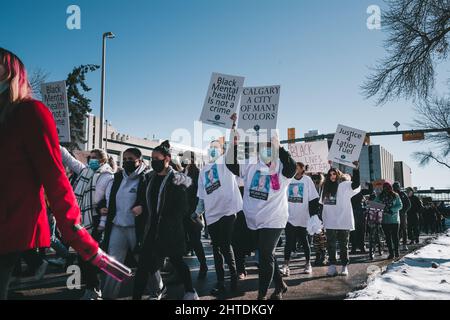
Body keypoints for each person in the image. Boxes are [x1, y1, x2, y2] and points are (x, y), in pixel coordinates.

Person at [0, 47, 108, 300]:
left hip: (14, 224)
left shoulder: (30, 113)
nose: (90, 161)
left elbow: (56, 177)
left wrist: (75, 230)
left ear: (11, 74)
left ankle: (92, 288)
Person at [225, 114, 296, 300]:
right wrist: (234, 136)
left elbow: (292, 166)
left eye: (268, 147)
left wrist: (279, 146)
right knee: (266, 256)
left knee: (264, 254)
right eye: (261, 147)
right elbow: (230, 163)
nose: (265, 150)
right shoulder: (250, 164)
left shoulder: (281, 167)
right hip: (254, 219)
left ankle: (262, 296)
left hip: (274, 218)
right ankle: (280, 285)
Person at [133, 141, 199, 300]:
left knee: (177, 261)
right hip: (151, 229)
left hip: (170, 230)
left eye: (157, 158)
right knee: (143, 266)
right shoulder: (149, 178)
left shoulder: (178, 179)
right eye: (152, 158)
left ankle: (190, 291)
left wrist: (168, 219)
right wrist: (141, 206)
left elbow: (183, 207)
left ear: (167, 159)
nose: (154, 161)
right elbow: (144, 198)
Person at [60, 145, 114, 299]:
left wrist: (103, 221)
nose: (91, 160)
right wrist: (55, 143)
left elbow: (109, 201)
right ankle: (92, 288)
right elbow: (69, 160)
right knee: (82, 256)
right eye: (90, 158)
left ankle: (95, 289)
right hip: (83, 219)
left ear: (102, 160)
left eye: (94, 158)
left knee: (89, 258)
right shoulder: (86, 171)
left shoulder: (107, 176)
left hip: (96, 221)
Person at [195, 140, 242, 295]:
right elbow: (202, 195)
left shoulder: (225, 163)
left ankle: (234, 279)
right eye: (211, 148)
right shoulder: (203, 171)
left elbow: (232, 152)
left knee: (226, 245)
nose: (213, 150)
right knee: (216, 249)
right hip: (211, 214)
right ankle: (221, 282)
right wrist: (197, 212)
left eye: (216, 148)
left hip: (227, 212)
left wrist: (233, 128)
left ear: (222, 150)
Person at [101, 148, 149, 300]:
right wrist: (104, 207)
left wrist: (143, 206)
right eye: (125, 159)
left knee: (144, 261)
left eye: (131, 159)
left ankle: (157, 289)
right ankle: (109, 296)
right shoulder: (118, 177)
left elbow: (154, 201)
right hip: (117, 226)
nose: (127, 162)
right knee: (113, 263)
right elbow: (109, 197)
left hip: (137, 228)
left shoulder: (147, 178)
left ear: (139, 161)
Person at [320, 162, 361, 277]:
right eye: (330, 174)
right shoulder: (325, 187)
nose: (332, 176)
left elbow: (356, 184)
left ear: (338, 175)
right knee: (331, 245)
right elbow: (322, 204)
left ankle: (344, 266)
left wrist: (356, 169)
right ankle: (332, 266)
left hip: (343, 220)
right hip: (330, 221)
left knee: (344, 245)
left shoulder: (344, 186)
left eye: (334, 174)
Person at [281, 162, 319, 277]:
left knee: (305, 242)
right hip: (290, 217)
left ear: (302, 169)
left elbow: (314, 198)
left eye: (297, 167)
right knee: (289, 242)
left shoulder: (307, 180)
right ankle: (286, 265)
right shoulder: (289, 179)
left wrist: (314, 215)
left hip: (303, 218)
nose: (295, 168)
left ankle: (308, 264)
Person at [182, 152, 208, 280]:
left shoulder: (197, 173)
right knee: (182, 241)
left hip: (192, 214)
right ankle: (178, 270)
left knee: (195, 241)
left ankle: (203, 265)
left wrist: (197, 213)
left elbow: (200, 195)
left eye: (185, 158)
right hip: (182, 213)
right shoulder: (183, 172)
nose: (182, 159)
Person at [374, 182, 403, 259]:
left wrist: (392, 209)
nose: (386, 189)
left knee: (395, 237)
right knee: (388, 237)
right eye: (385, 187)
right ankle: (391, 253)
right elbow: (374, 204)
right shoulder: (380, 196)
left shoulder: (395, 195)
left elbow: (400, 205)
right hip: (385, 220)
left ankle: (396, 251)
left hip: (394, 219)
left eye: (388, 187)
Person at [309, 173, 328, 266]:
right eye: (314, 179)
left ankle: (324, 255)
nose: (315, 181)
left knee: (322, 237)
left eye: (317, 179)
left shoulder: (324, 187)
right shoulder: (311, 187)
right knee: (316, 237)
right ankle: (318, 255)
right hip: (313, 214)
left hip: (323, 214)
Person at [393, 182, 411, 251]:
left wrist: (404, 211)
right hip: (394, 214)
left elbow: (408, 204)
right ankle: (396, 243)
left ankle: (404, 244)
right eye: (394, 187)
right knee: (396, 229)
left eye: (397, 187)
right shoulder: (392, 194)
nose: (395, 188)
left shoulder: (403, 194)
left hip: (402, 214)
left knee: (403, 229)